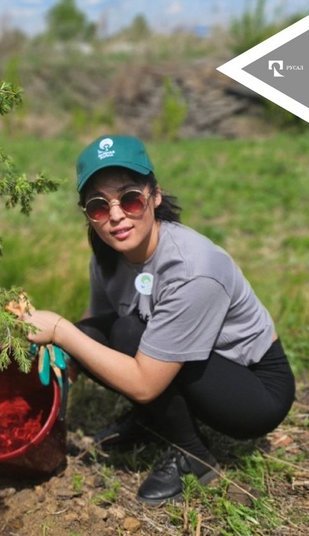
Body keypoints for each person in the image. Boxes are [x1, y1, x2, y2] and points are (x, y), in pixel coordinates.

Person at [16, 134, 295, 505]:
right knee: (103, 331)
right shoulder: (107, 253)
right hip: (190, 360)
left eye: (130, 199)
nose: (116, 216)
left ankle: (193, 455)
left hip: (253, 388)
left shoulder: (192, 269)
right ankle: (154, 421)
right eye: (99, 206)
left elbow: (145, 382)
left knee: (128, 332)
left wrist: (59, 331)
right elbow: (95, 322)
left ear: (155, 196)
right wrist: (64, 370)